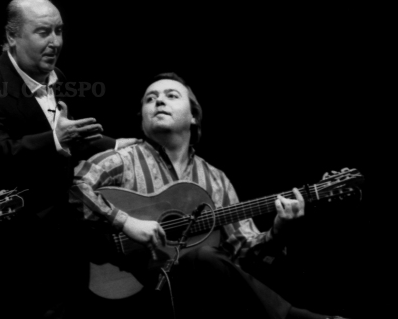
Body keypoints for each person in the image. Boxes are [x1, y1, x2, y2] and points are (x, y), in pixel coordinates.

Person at [69, 73, 349, 319]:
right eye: (149, 99)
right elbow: (74, 186)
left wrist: (278, 231)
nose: (159, 101)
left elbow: (243, 254)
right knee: (203, 257)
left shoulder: (216, 180)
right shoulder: (122, 159)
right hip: (130, 287)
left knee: (205, 261)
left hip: (196, 297)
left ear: (193, 115)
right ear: (142, 118)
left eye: (171, 95)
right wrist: (126, 223)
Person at [0, 0, 138, 319]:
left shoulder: (55, 77)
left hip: (59, 231)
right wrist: (54, 137)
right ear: (12, 36)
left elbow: (68, 141)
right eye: (43, 32)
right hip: (13, 242)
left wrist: (121, 144)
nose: (55, 42)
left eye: (59, 31)